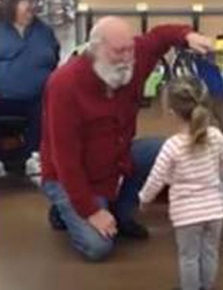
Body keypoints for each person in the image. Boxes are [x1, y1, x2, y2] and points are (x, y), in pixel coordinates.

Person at [39, 16, 213, 262]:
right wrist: (90, 210)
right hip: (71, 176)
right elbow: (65, 160)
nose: (127, 57)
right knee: (98, 247)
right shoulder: (64, 86)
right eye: (119, 51)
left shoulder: (133, 57)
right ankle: (63, 209)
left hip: (114, 160)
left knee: (165, 149)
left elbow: (159, 37)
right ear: (96, 49)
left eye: (130, 49)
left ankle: (119, 212)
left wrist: (188, 36)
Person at [138, 76, 223, 290]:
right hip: (214, 211)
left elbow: (156, 179)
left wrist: (144, 200)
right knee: (209, 251)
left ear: (172, 112)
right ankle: (205, 289)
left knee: (188, 255)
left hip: (187, 214)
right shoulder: (215, 137)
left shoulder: (172, 146)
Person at [0, 0, 59, 170]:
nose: (33, 7)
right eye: (28, 3)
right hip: (3, 97)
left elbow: (54, 60)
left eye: (34, 3)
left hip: (37, 98)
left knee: (50, 107)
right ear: (11, 5)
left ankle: (34, 156)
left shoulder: (45, 31)